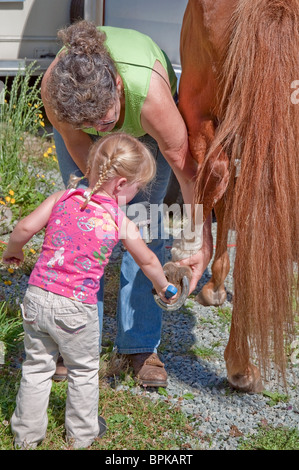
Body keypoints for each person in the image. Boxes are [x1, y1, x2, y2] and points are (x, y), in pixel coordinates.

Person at [41, 20, 213, 386]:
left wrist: (201, 240)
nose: (103, 131)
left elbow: (188, 173)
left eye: (105, 121)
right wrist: (106, 209)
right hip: (80, 138)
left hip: (144, 133)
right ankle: (74, 343)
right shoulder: (56, 93)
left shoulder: (149, 96)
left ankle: (140, 345)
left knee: (146, 226)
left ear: (118, 87)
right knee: (84, 228)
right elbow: (84, 149)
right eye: (91, 124)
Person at [2, 133, 178, 450]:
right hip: (76, 308)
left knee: (36, 366)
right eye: (137, 188)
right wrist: (163, 286)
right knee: (83, 371)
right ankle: (81, 435)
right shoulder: (118, 218)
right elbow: (148, 259)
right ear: (121, 184)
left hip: (37, 297)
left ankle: (26, 436)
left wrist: (13, 252)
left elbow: (24, 229)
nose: (136, 194)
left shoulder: (63, 197)